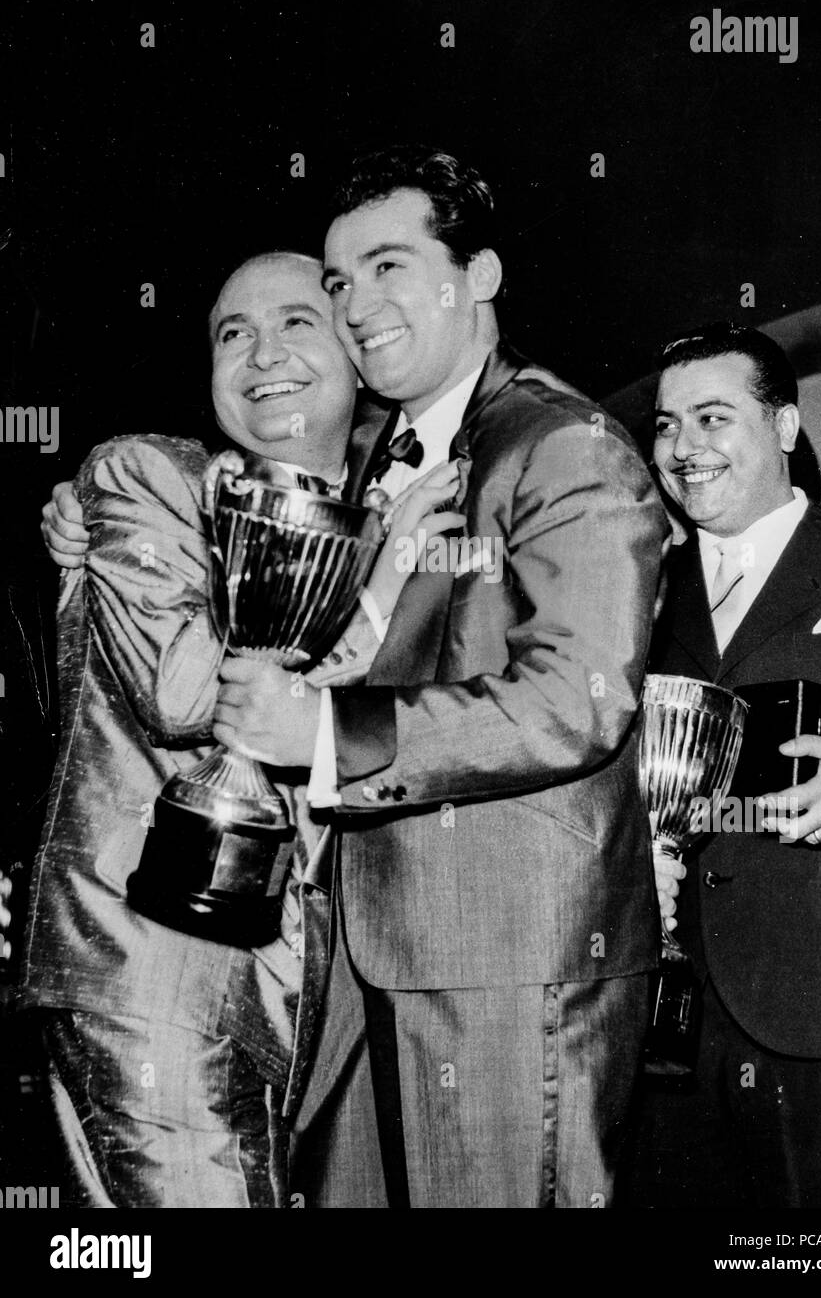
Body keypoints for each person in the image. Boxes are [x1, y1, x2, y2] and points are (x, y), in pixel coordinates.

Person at [208, 145, 670, 1207]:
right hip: (374, 962)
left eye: (387, 266)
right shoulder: (388, 459)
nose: (354, 304)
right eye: (338, 280)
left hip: (505, 969)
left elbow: (575, 703)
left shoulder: (564, 445)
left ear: (481, 276)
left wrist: (325, 734)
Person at [22, 249, 460, 1207]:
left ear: (358, 357)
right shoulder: (149, 476)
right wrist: (372, 573)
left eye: (298, 323)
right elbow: (185, 701)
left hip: (307, 997)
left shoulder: (408, 512)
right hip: (158, 979)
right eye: (233, 333)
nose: (262, 352)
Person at [624, 322, 821, 1208]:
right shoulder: (632, 588)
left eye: (712, 418)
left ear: (783, 427)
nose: (683, 448)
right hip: (663, 1025)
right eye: (665, 425)